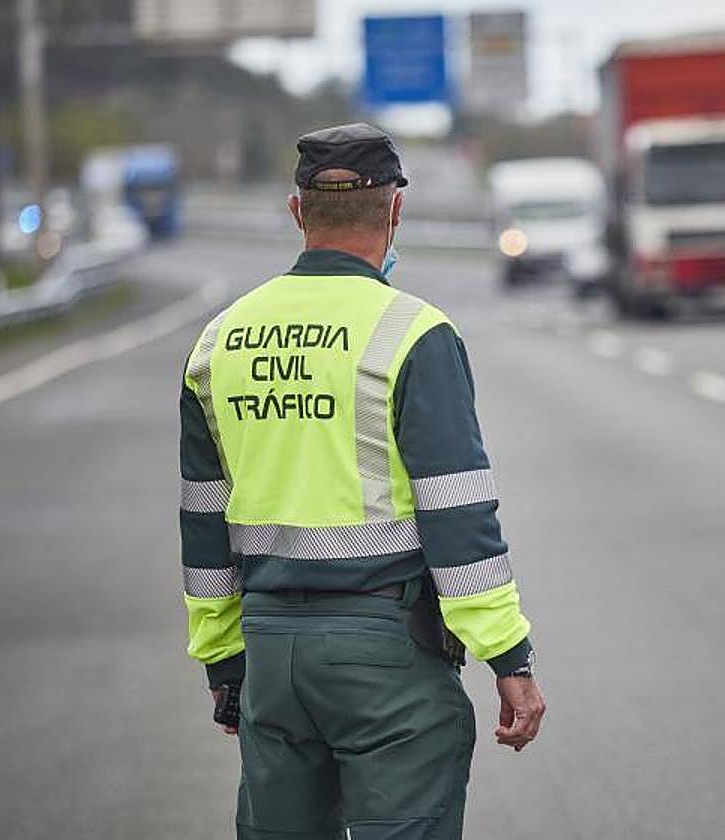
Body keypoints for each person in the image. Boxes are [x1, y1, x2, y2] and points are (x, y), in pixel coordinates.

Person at [177, 122, 545, 839]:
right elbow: (459, 517)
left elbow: (203, 525)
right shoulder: (413, 333)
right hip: (387, 660)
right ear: (396, 210)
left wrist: (224, 660)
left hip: (273, 656)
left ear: (296, 212)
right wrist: (509, 657)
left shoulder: (218, 342)